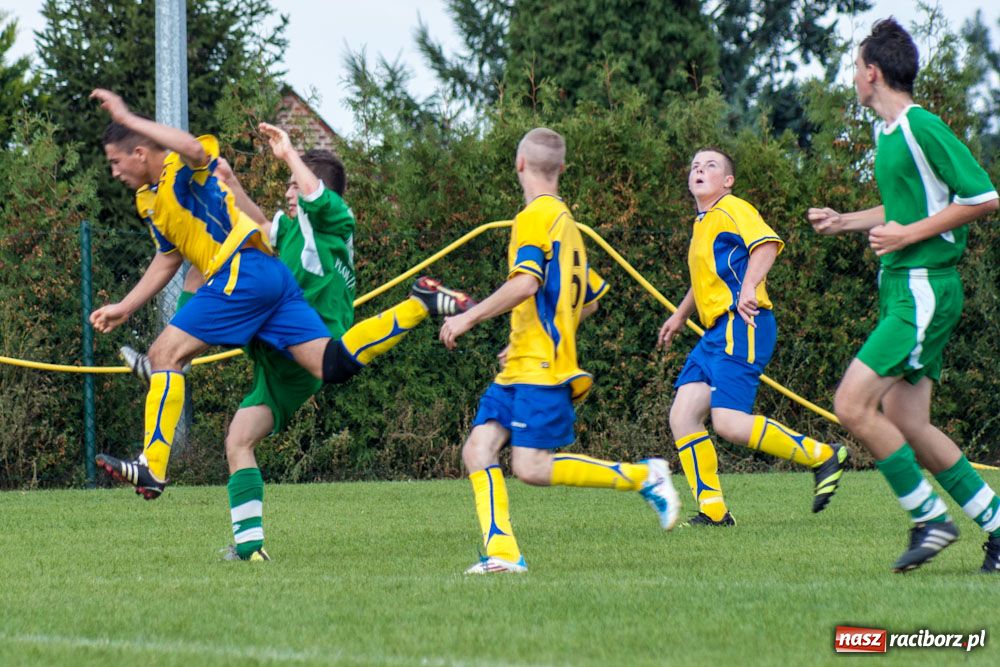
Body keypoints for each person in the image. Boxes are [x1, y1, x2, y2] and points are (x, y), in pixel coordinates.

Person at [88, 90, 474, 558]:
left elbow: (201, 153)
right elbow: (192, 246)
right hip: (272, 306)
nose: (114, 171)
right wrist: (126, 306)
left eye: (115, 161)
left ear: (140, 151)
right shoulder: (263, 225)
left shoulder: (329, 216)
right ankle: (250, 548)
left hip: (249, 278)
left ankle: (154, 453)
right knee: (258, 421)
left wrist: (287, 152)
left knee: (165, 353)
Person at [439, 127, 680, 574]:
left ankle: (645, 476)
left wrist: (468, 317)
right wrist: (526, 339)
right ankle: (503, 554)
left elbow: (527, 282)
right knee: (478, 448)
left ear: (519, 164)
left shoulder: (532, 217)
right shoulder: (567, 225)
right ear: (562, 169)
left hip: (541, 366)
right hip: (524, 362)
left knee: (530, 467)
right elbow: (586, 300)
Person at [808, 18, 1000, 573]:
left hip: (923, 289)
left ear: (872, 73)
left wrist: (908, 236)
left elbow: (985, 196)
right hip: (903, 289)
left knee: (851, 403)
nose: (852, 77)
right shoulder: (887, 135)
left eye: (854, 67)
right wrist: (845, 221)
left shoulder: (920, 126)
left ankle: (930, 520)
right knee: (909, 424)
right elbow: (903, 211)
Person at [657, 148, 848, 527]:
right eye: (695, 164)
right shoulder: (704, 222)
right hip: (715, 332)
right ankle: (713, 512)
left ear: (727, 181)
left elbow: (766, 245)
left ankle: (823, 455)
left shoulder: (732, 207)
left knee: (728, 422)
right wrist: (680, 315)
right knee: (682, 416)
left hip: (744, 322)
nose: (699, 169)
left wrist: (749, 286)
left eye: (710, 166)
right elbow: (704, 280)